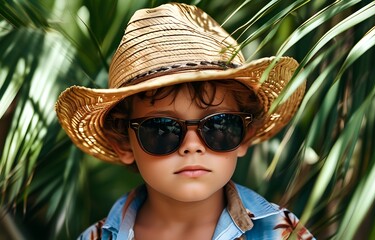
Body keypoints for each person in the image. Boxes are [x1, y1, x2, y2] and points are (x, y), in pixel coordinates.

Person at [55, 3, 315, 240]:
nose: (192, 146)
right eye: (161, 130)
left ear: (245, 136)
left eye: (219, 125)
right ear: (123, 143)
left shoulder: (281, 232)